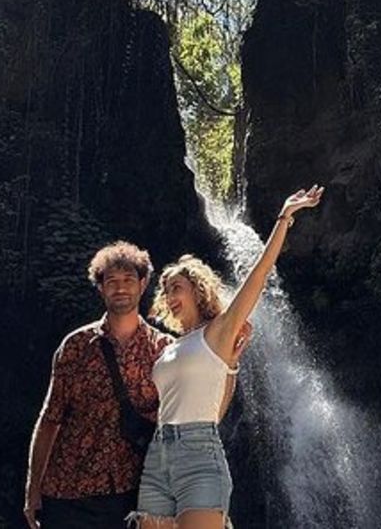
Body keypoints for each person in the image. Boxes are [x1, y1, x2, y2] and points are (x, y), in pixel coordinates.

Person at [128, 184, 324, 529]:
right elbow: (211, 406)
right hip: (159, 454)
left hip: (199, 452)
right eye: (166, 290)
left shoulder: (218, 331)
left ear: (198, 290)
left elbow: (259, 275)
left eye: (178, 288)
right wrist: (230, 367)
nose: (170, 296)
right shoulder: (169, 347)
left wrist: (284, 216)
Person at [24, 241, 252, 529]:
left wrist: (230, 366)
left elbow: (210, 411)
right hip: (68, 492)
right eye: (111, 281)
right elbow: (50, 419)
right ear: (100, 287)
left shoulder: (165, 351)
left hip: (129, 495)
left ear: (143, 284)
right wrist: (32, 490)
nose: (120, 288)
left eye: (129, 280)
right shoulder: (76, 346)